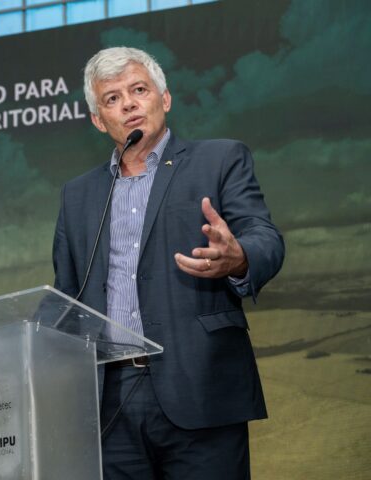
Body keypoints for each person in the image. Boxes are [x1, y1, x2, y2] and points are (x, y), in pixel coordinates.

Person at [51, 47, 284, 479]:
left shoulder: (221, 159)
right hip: (108, 401)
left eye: (139, 90)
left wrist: (238, 258)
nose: (130, 104)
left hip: (201, 384)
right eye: (112, 99)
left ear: (165, 98)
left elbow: (264, 237)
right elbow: (65, 296)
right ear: (99, 121)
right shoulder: (77, 195)